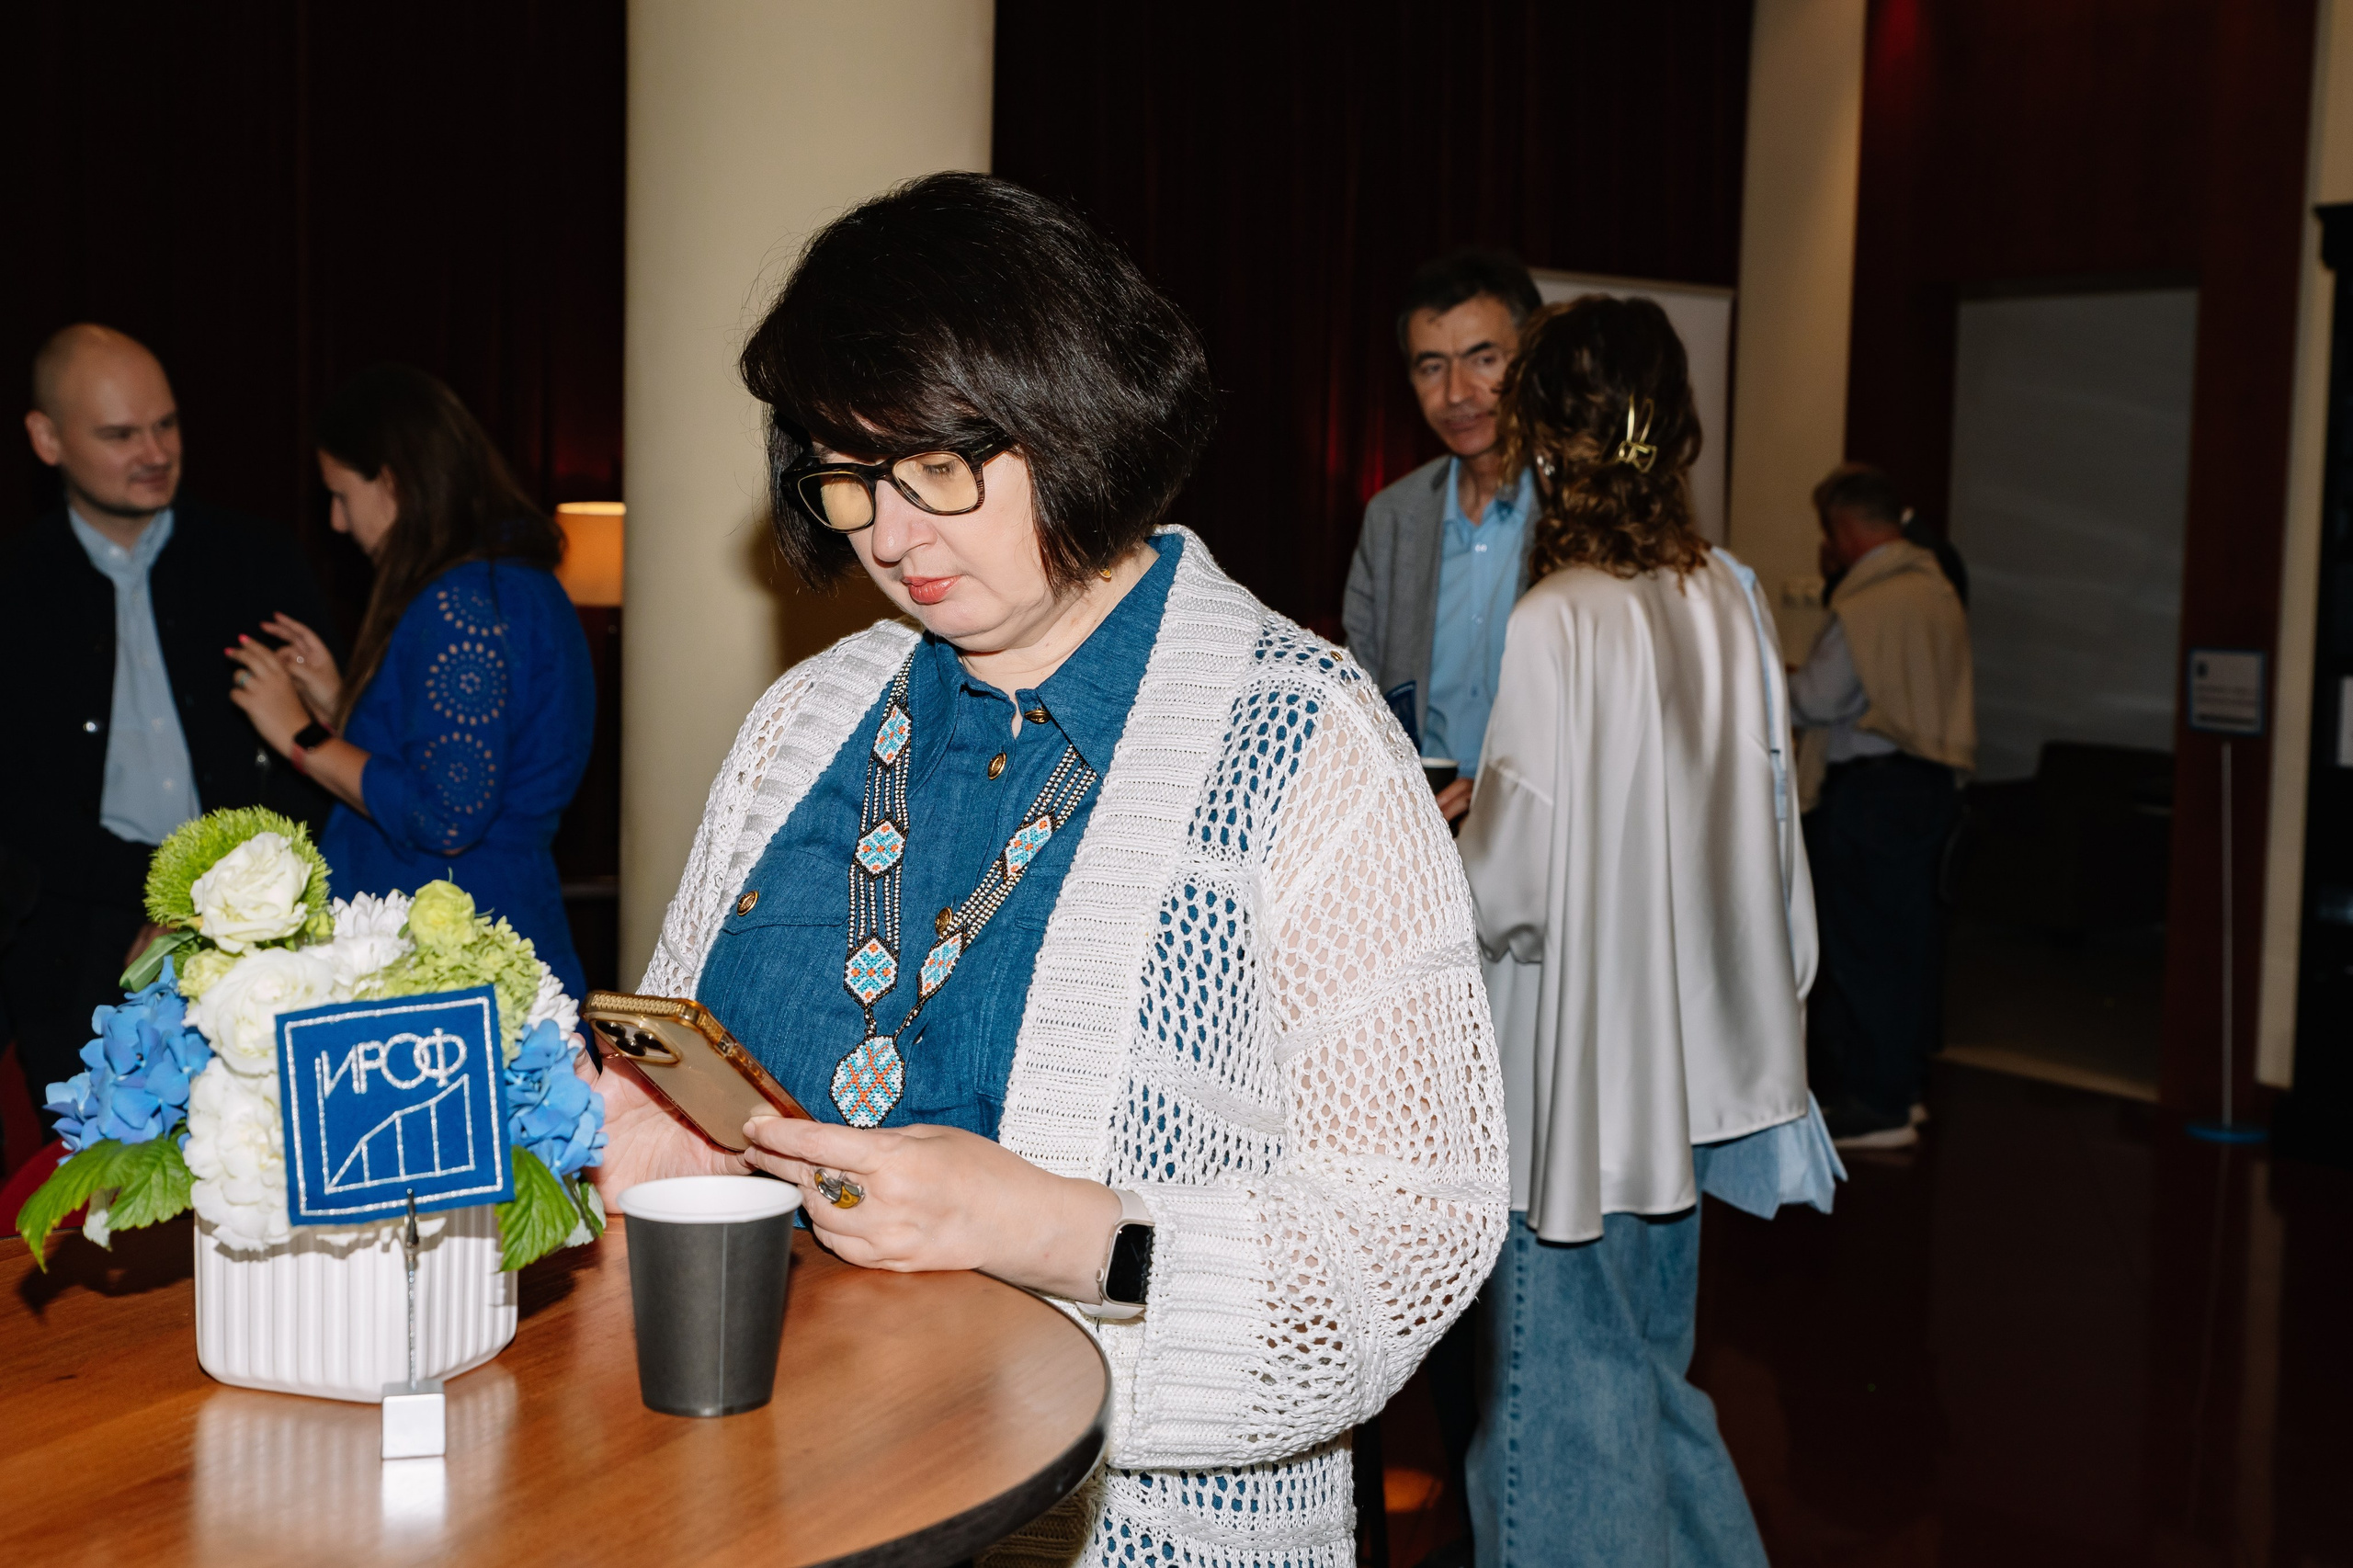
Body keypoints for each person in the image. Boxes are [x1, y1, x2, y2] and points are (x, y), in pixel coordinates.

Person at [590, 173, 1507, 1568]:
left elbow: (1406, 1245)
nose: (890, 535)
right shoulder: (805, 721)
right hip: (765, 1498)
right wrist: (663, 1149)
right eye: (848, 478)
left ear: (1077, 413)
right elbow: (701, 1088)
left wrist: (1052, 1227)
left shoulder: (1303, 740)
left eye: (935, 469)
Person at [1457, 295, 1840, 1566]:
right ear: (1677, 430)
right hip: (1692, 1071)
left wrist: (1444, 844)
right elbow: (1772, 823)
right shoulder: (1723, 593)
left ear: (1540, 437)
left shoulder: (1559, 614)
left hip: (1575, 1087)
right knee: (1650, 1384)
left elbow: (1510, 889)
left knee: (1554, 1422)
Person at [1, 324, 334, 1131]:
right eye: (120, 434)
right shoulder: (16, 588)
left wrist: (216, 894)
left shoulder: (257, 559)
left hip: (258, 930)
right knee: (99, 1184)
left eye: (167, 424)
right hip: (78, 949)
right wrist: (160, 888)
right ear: (47, 439)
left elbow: (309, 763)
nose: (154, 452)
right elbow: (18, 806)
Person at [222, 366, 596, 999]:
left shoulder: (465, 600)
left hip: (451, 949)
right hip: (470, 928)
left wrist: (301, 735)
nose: (337, 522)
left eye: (341, 495)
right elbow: (451, 760)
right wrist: (340, 703)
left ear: (392, 482)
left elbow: (446, 814)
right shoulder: (505, 584)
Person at [1790, 463, 1975, 1149]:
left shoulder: (1870, 603)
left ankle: (1877, 1103)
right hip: (1927, 788)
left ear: (1843, 528)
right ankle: (1903, 1090)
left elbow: (1816, 699)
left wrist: (1763, 684)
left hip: (1872, 797)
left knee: (1864, 953)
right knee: (1907, 950)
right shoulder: (1936, 586)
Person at [1345, 250, 1545, 827]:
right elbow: (1360, 694)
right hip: (1418, 829)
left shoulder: (1578, 514)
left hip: (1546, 829)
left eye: (1483, 359)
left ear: (1530, 363)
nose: (1456, 393)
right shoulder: (1393, 519)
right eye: (1432, 367)